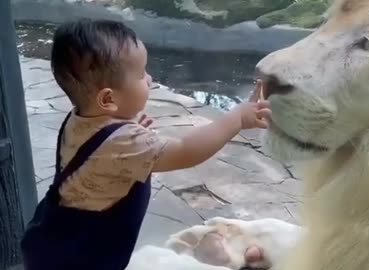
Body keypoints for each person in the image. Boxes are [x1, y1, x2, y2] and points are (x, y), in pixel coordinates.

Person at [21, 18, 270, 270]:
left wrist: (128, 130)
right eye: (141, 74)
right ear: (108, 99)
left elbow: (101, 155)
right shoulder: (125, 143)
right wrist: (237, 118)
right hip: (83, 258)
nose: (149, 79)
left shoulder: (80, 118)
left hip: (54, 238)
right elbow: (186, 150)